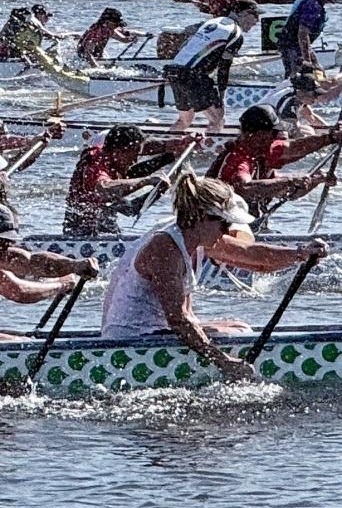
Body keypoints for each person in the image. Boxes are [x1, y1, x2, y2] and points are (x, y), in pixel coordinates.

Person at [97, 176, 325, 378]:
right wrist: (224, 362)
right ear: (199, 216)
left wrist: (300, 253)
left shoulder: (193, 235)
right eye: (224, 223)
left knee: (238, 327)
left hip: (154, 330)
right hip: (129, 343)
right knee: (232, 334)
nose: (227, 230)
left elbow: (254, 257)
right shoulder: (165, 249)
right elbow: (178, 320)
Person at [209, 105, 342, 216]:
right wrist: (290, 180)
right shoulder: (237, 158)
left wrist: (331, 138)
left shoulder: (261, 155)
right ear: (255, 134)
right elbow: (245, 189)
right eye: (274, 133)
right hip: (219, 228)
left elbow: (295, 150)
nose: (277, 137)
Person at [64, 126, 192, 234]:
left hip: (106, 219)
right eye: (135, 154)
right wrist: (146, 181)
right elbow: (103, 188)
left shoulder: (115, 157)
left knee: (133, 202)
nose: (136, 159)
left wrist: (175, 146)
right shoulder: (95, 164)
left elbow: (144, 150)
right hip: (83, 233)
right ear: (119, 151)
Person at [167, 0, 260, 131]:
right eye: (255, 16)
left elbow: (186, 41)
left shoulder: (212, 22)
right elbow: (224, 68)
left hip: (174, 70)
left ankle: (169, 144)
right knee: (218, 119)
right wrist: (222, 97)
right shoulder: (236, 33)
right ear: (244, 13)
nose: (257, 22)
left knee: (185, 120)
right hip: (193, 75)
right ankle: (210, 150)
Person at [0, 203, 95, 313]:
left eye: (9, 241)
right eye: (3, 241)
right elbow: (18, 291)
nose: (7, 246)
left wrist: (74, 265)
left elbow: (32, 261)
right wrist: (63, 285)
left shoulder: (3, 251)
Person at [275, 0, 342, 77]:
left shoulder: (317, 4)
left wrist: (315, 62)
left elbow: (306, 40)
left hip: (297, 45)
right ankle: (289, 89)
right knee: (297, 75)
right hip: (291, 46)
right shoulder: (313, 5)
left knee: (318, 70)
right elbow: (302, 34)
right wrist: (308, 61)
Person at [75, 7, 145, 67]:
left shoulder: (109, 29)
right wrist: (97, 68)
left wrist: (131, 39)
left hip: (97, 58)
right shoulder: (95, 33)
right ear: (107, 22)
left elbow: (123, 39)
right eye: (116, 24)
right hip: (84, 59)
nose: (117, 26)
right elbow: (87, 54)